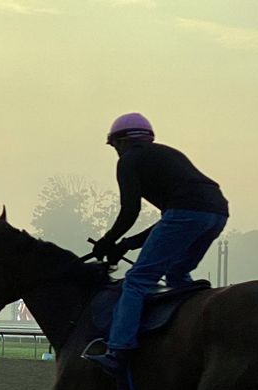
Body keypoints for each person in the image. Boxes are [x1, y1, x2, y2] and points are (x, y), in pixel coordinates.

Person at [83, 112, 229, 375]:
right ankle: (190, 330)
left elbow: (131, 210)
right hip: (217, 214)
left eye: (115, 146)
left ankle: (117, 351)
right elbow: (170, 221)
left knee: (138, 279)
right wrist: (127, 244)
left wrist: (107, 241)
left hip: (187, 213)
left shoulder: (129, 160)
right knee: (176, 273)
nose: (116, 152)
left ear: (121, 142)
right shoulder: (168, 155)